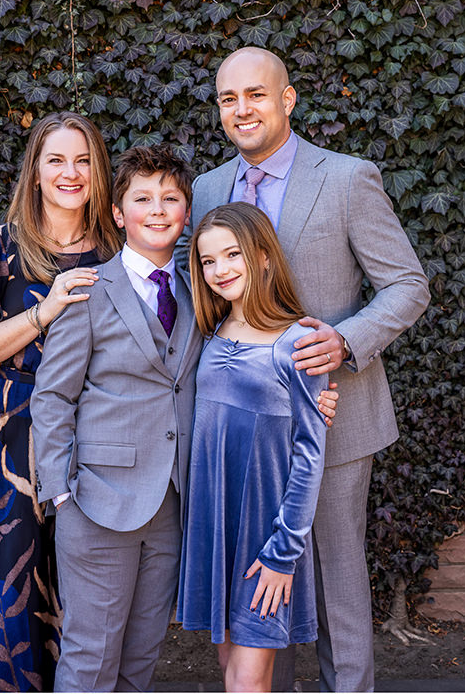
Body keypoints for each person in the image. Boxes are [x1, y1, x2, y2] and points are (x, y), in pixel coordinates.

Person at [178, 46, 431, 692]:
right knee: (261, 583)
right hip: (243, 430)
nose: (242, 109)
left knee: (336, 580)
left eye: (256, 94)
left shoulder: (346, 178)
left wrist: (344, 341)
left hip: (331, 415)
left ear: (287, 99)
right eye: (229, 99)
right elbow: (194, 298)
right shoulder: (206, 189)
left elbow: (407, 284)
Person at [0, 112, 122, 692]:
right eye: (56, 160)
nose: (71, 173)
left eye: (84, 161)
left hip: (92, 436)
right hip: (6, 440)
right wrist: (44, 311)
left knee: (82, 590)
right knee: (6, 592)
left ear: (99, 172)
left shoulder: (119, 252)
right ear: (35, 172)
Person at [30, 145, 201, 692]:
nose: (158, 210)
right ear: (118, 214)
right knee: (91, 657)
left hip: (172, 502)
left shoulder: (200, 291)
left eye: (170, 198)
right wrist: (61, 493)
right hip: (97, 502)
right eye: (142, 199)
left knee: (141, 658)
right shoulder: (87, 291)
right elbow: (52, 397)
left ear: (186, 212)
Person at [177, 202, 327, 692]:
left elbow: (309, 456)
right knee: (229, 668)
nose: (220, 269)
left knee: (247, 680)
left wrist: (284, 552)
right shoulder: (210, 331)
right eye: (208, 260)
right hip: (214, 526)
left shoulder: (298, 341)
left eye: (232, 254)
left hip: (266, 534)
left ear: (263, 255)